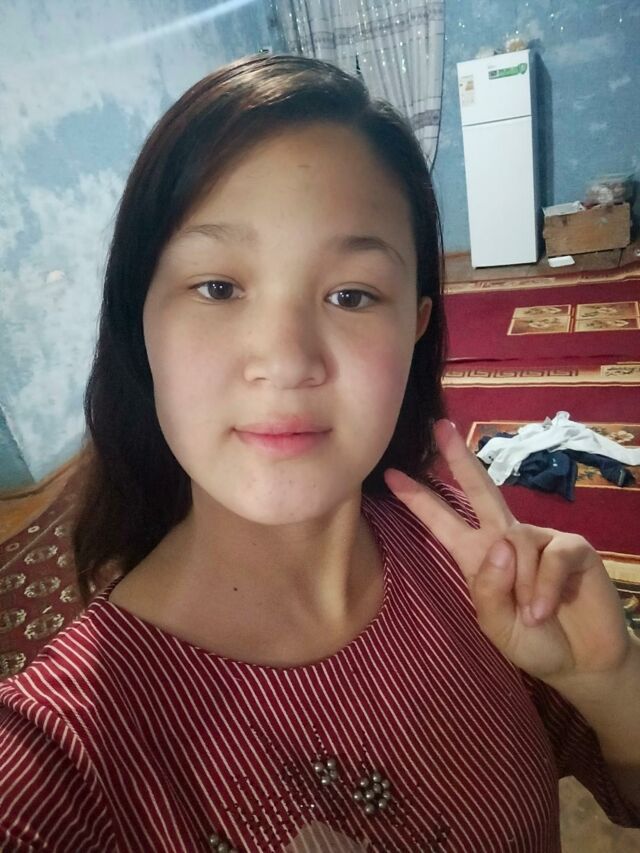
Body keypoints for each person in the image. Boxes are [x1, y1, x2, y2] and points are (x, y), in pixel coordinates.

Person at [0, 52, 638, 853]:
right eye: (218, 286)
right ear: (140, 319)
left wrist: (612, 682)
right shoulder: (58, 754)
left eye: (350, 294)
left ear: (415, 325)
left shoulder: (477, 569)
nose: (286, 360)